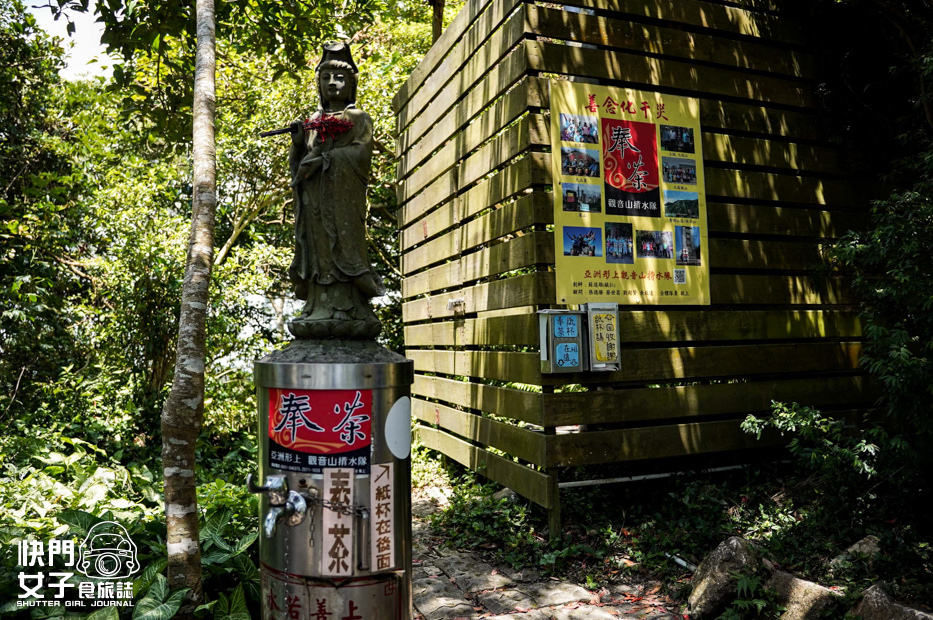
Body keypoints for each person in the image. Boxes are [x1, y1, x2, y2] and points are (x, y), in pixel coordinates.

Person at [288, 43, 384, 339]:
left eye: (339, 78)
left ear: (351, 84)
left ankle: (347, 304)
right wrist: (297, 144)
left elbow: (360, 157)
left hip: (343, 202)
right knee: (316, 248)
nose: (332, 83)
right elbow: (299, 166)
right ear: (318, 83)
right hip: (314, 202)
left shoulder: (358, 119)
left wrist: (326, 159)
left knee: (342, 240)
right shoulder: (313, 122)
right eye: (326, 77)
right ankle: (318, 303)